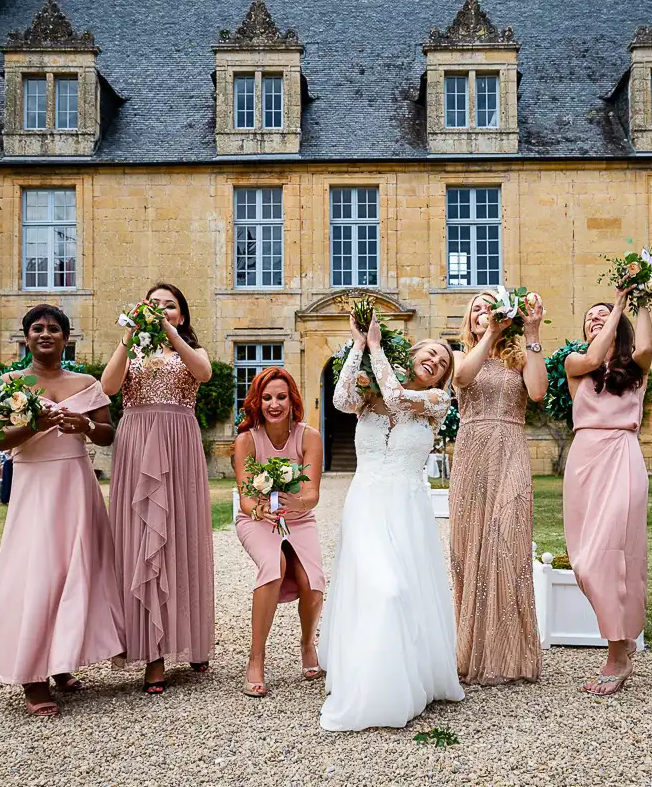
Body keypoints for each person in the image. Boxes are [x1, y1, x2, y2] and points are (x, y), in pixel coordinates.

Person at [319, 312, 464, 731]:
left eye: (444, 362)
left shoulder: (436, 403)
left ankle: (405, 675)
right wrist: (359, 349)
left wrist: (377, 349)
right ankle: (372, 681)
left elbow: (399, 398)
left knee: (404, 591)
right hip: (365, 502)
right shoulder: (368, 392)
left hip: (407, 509)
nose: (437, 361)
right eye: (431, 353)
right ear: (413, 354)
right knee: (383, 589)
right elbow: (340, 401)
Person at [0, 305, 125, 717]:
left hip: (76, 483)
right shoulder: (4, 385)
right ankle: (32, 677)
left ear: (66, 337)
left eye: (54, 329)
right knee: (36, 575)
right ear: (25, 337)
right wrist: (38, 424)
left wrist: (85, 428)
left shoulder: (87, 382)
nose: (46, 334)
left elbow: (108, 432)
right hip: (34, 487)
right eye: (37, 329)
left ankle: (62, 663)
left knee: (76, 572)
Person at [102, 282, 215, 694]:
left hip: (179, 441)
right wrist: (129, 334)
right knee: (141, 539)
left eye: (171, 306)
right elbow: (109, 388)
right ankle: (152, 654)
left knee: (182, 537)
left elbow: (203, 373)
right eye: (155, 306)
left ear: (182, 315)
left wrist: (168, 333)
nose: (163, 310)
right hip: (137, 441)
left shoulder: (190, 351)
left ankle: (191, 640)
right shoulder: (131, 352)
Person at [449, 291, 547, 685]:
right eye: (477, 309)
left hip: (511, 449)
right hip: (472, 453)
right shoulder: (457, 355)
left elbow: (538, 392)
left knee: (509, 542)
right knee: (469, 548)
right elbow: (462, 378)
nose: (482, 313)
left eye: (490, 308)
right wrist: (490, 334)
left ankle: (511, 656)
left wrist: (533, 331)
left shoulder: (520, 357)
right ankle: (471, 651)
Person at [562, 290, 652, 696]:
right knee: (583, 561)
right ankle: (624, 638)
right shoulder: (576, 365)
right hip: (584, 460)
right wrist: (616, 308)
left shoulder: (636, 367)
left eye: (603, 314)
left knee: (616, 553)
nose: (595, 319)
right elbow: (595, 357)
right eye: (590, 317)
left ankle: (618, 651)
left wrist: (643, 299)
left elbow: (647, 346)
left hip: (621, 454)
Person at [232, 367, 324, 697]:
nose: (274, 404)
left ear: (292, 400)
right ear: (257, 401)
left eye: (281, 397)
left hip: (298, 517)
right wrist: (259, 508)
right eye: (267, 397)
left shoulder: (309, 437)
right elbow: (245, 497)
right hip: (258, 519)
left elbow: (312, 493)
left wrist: (297, 503)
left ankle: (307, 642)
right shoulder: (246, 440)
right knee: (274, 568)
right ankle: (256, 658)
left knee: (313, 582)